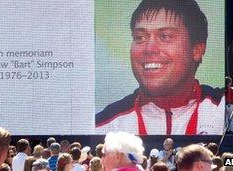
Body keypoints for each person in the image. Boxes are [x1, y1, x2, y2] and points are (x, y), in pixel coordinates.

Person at [95, 0, 224, 135]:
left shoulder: (228, 110)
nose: (149, 49)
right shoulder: (103, 126)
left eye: (165, 36)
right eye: (140, 37)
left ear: (196, 50)